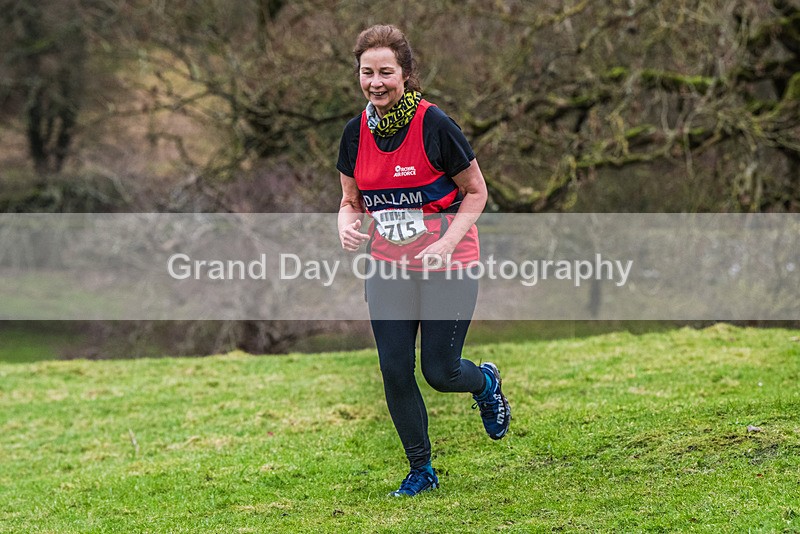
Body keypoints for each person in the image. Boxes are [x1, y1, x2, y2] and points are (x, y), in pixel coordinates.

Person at [336, 24, 510, 497]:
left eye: (386, 72)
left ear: (406, 74)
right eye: (366, 72)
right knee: (394, 368)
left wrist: (447, 241)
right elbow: (350, 199)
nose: (375, 82)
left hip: (448, 266)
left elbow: (476, 192)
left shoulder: (435, 125)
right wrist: (345, 222)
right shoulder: (354, 134)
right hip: (388, 267)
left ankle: (485, 382)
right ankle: (421, 470)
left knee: (440, 371)